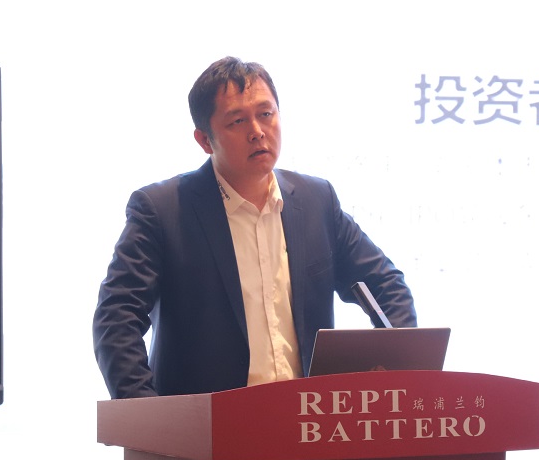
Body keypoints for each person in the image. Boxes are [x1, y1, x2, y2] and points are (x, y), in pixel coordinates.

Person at [93, 57, 416, 400]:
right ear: (205, 140)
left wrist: (392, 373)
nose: (258, 131)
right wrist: (148, 413)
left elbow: (385, 285)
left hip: (307, 420)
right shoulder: (163, 210)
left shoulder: (316, 201)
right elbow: (117, 318)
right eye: (237, 121)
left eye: (266, 114)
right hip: (207, 425)